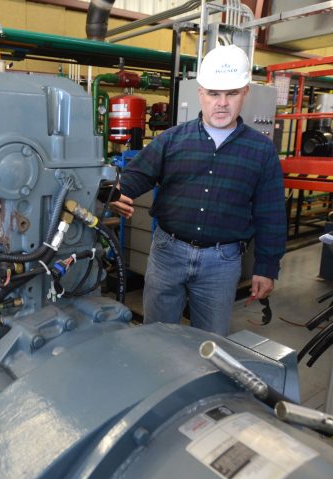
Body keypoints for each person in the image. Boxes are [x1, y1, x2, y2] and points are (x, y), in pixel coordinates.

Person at [110, 44, 286, 336]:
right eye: (214, 94)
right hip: (168, 253)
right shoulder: (172, 140)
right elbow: (136, 175)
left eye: (231, 94)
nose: (222, 103)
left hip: (222, 262)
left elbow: (271, 214)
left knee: (209, 343)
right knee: (157, 337)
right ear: (200, 93)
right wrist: (114, 192)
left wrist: (266, 267)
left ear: (245, 93)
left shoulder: (261, 150)